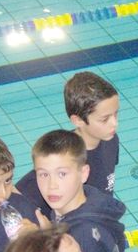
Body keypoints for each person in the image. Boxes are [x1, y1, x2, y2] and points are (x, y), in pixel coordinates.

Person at [17, 71, 120, 217]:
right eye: (104, 119)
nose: (115, 123)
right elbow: (19, 195)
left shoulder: (111, 140)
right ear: (78, 121)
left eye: (116, 114)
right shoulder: (63, 155)